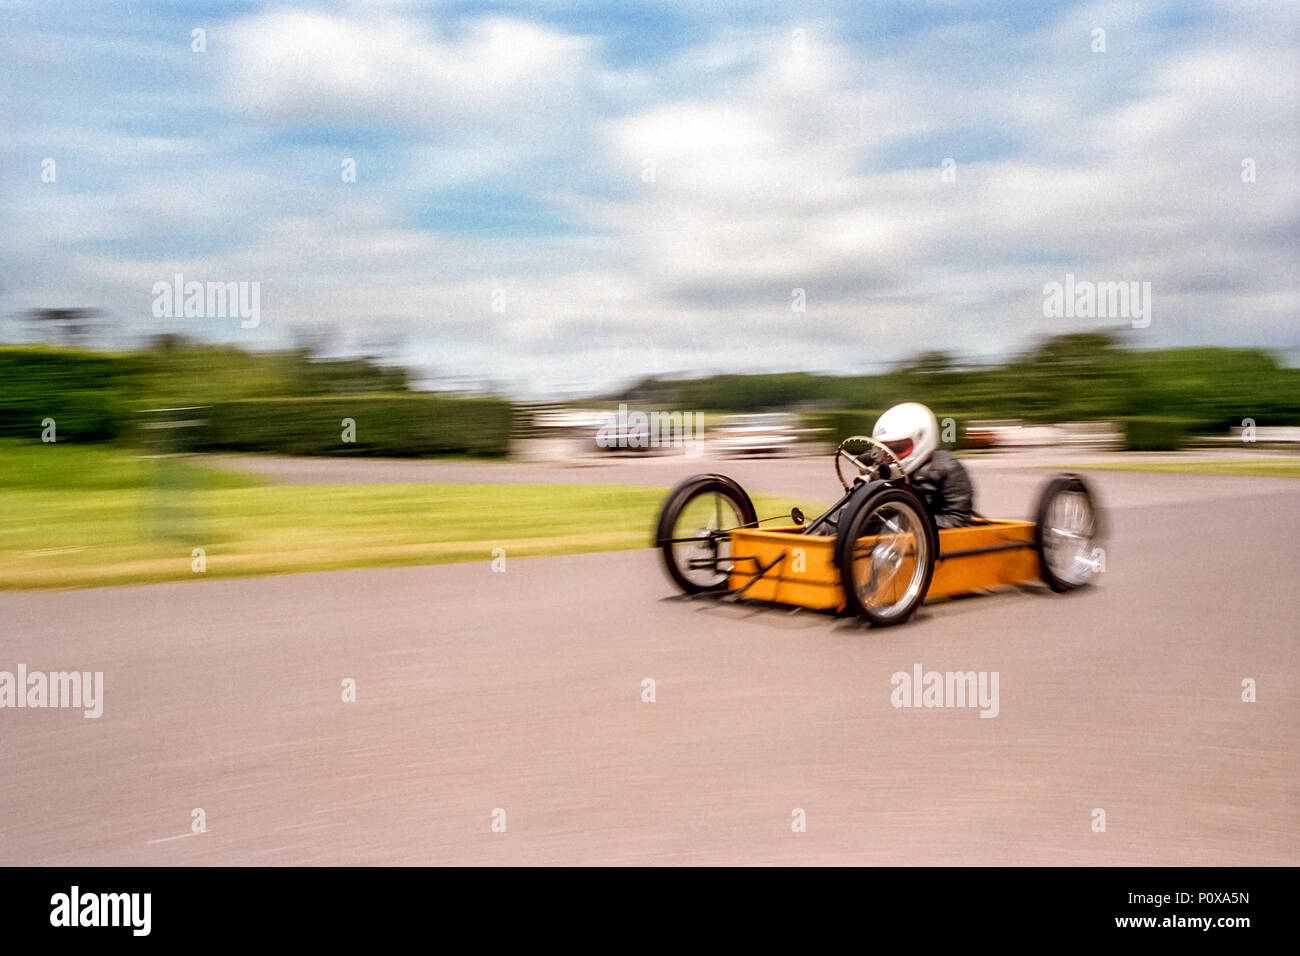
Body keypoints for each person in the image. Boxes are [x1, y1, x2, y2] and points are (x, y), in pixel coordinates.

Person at [872, 402, 974, 528]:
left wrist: (906, 522)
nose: (889, 457)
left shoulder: (948, 467)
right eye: (884, 450)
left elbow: (958, 519)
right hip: (893, 541)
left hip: (941, 542)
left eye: (898, 448)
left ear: (922, 440)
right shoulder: (879, 470)